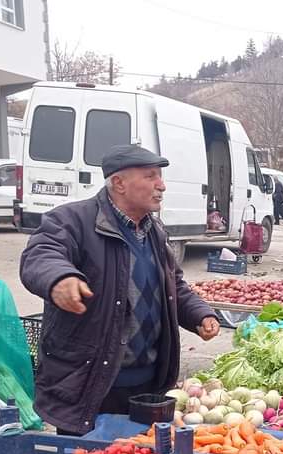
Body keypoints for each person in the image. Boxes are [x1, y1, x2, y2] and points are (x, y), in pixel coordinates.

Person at [20, 145, 219, 435]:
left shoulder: (154, 230)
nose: (161, 185)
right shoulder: (72, 220)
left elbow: (173, 284)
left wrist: (200, 314)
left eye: (160, 177)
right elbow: (41, 254)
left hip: (146, 383)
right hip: (90, 381)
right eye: (150, 176)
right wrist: (59, 278)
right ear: (119, 183)